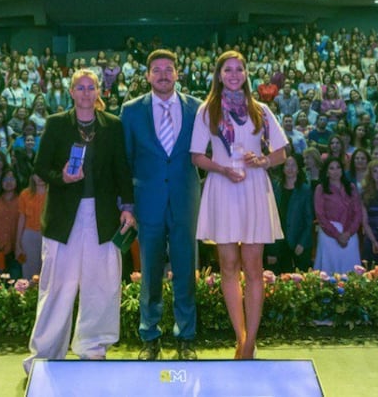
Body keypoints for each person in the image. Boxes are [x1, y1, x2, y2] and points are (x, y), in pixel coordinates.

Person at [23, 69, 135, 374]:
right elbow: (40, 166)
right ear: (71, 92)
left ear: (98, 92)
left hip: (102, 217)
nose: (86, 93)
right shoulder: (57, 124)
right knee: (57, 287)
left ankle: (93, 347)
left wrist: (127, 206)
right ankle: (46, 354)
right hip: (63, 217)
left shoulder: (112, 126)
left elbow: (121, 169)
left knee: (101, 285)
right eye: (80, 88)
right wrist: (60, 176)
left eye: (91, 88)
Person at [190, 51, 287, 360]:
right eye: (227, 69)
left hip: (255, 188)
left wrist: (262, 160)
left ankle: (250, 342)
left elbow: (281, 153)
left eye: (239, 69)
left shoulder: (260, 111)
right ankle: (240, 336)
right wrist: (221, 169)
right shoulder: (208, 111)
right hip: (223, 187)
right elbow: (197, 156)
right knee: (229, 267)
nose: (233, 74)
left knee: (254, 268)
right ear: (219, 75)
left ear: (246, 74)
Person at [120, 49, 203, 360]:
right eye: (157, 70)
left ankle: (186, 338)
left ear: (178, 73)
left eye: (169, 69)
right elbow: (125, 161)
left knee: (185, 271)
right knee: (150, 273)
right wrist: (126, 203)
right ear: (147, 76)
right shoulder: (130, 111)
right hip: (147, 202)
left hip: (185, 200)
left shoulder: (197, 109)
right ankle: (150, 336)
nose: (164, 74)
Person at [312, 156, 362, 273]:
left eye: (338, 168)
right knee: (329, 270)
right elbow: (320, 215)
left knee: (350, 270)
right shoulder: (321, 189)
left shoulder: (351, 187)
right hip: (329, 235)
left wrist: (348, 233)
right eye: (332, 168)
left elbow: (358, 213)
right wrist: (337, 235)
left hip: (350, 234)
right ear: (327, 172)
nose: (335, 171)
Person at [268, 155, 314, 273]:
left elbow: (309, 221)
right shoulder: (275, 189)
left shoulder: (305, 190)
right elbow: (270, 220)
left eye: (293, 165)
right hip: (279, 244)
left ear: (299, 169)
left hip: (298, 243)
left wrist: (302, 243)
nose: (290, 168)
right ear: (283, 168)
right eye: (287, 165)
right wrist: (271, 249)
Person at [16, 172, 46, 280]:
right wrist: (18, 243)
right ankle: (29, 295)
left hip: (48, 235)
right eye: (37, 174)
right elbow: (21, 219)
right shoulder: (25, 194)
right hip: (29, 235)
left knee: (47, 271)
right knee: (30, 271)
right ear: (32, 176)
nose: (40, 177)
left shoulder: (53, 193)